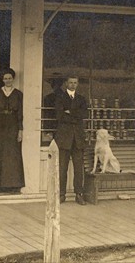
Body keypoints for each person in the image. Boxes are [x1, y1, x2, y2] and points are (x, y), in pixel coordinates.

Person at [54, 76, 88, 205]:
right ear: (66, 83)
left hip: (78, 139)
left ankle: (79, 194)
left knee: (78, 169)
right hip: (64, 138)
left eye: (75, 83)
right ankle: (61, 195)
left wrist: (70, 112)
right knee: (62, 168)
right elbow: (59, 116)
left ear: (77, 84)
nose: (73, 85)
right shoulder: (60, 98)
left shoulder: (81, 99)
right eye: (71, 82)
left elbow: (84, 114)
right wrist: (75, 114)